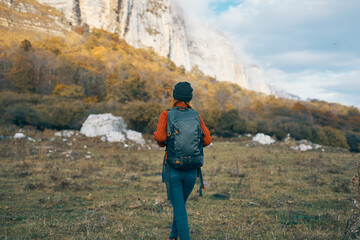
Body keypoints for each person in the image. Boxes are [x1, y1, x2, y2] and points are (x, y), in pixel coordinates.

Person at [154, 81, 212, 240]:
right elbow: (207, 141)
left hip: (173, 168)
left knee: (179, 209)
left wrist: (164, 141)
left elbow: (159, 138)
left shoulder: (167, 114)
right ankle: (173, 236)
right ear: (189, 98)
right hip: (192, 170)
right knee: (180, 207)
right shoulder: (196, 116)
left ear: (174, 96)